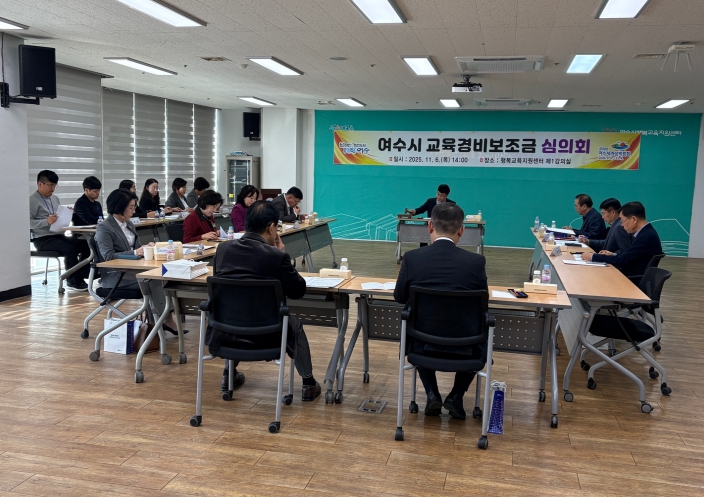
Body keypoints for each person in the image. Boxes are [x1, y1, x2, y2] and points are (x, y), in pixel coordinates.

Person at [210, 200, 321, 401]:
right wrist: (283, 255)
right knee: (295, 325)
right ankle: (308, 383)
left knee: (237, 311)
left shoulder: (223, 250)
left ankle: (228, 374)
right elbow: (297, 291)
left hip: (226, 330)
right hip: (268, 333)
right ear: (271, 228)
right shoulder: (276, 256)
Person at [393, 202, 488, 420]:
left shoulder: (412, 258)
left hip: (423, 344)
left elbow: (399, 297)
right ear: (461, 230)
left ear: (430, 226)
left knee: (418, 324)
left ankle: (431, 393)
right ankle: (456, 396)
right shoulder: (476, 262)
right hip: (466, 346)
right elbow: (484, 303)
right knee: (479, 331)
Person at [95, 188, 186, 334]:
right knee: (154, 280)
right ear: (119, 207)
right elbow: (108, 256)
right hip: (116, 275)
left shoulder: (129, 224)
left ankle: (161, 319)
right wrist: (135, 252)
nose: (134, 210)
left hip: (133, 270)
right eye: (131, 207)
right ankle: (161, 321)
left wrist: (146, 248)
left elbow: (137, 249)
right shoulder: (104, 228)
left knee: (164, 275)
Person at [29, 170, 90, 291]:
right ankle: (72, 280)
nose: (53, 189)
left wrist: (66, 214)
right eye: (50, 185)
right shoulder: (32, 200)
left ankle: (80, 275)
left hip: (58, 235)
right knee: (70, 248)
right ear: (40, 184)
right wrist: (46, 221)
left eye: (54, 185)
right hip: (42, 239)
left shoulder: (55, 199)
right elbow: (27, 223)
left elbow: (56, 218)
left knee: (86, 245)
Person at [583, 201, 663, 278]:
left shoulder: (645, 236)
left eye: (622, 221)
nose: (622, 225)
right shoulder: (646, 232)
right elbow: (628, 255)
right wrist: (614, 254)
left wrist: (593, 257)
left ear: (634, 219)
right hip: (632, 274)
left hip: (632, 279)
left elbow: (623, 259)